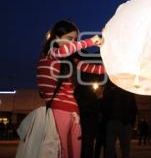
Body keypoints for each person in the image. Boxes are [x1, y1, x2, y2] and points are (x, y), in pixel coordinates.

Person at [37, 20, 105, 158]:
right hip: (58, 111)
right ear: (56, 37)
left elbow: (92, 69)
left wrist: (116, 69)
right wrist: (91, 41)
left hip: (74, 112)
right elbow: (63, 51)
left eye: (74, 39)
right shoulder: (50, 54)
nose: (72, 42)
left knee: (75, 153)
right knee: (61, 151)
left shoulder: (70, 60)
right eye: (69, 38)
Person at [103, 80, 137, 158]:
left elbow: (104, 107)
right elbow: (133, 108)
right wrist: (131, 122)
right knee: (124, 148)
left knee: (111, 147)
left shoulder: (110, 92)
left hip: (115, 122)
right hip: (123, 122)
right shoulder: (128, 93)